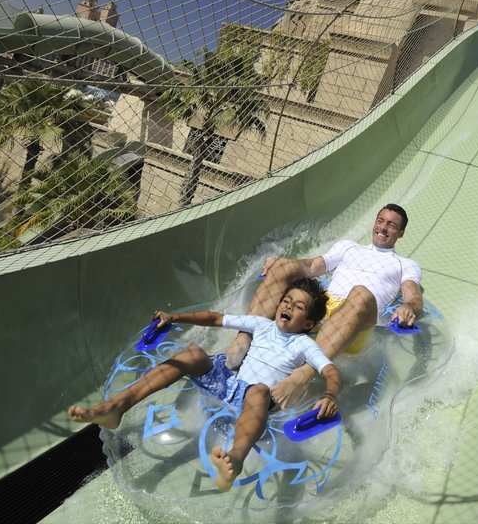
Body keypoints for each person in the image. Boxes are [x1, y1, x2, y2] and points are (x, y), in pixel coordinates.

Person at [68, 277, 341, 492]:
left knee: (258, 390)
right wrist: (175, 318)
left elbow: (330, 370)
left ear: (308, 323)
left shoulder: (304, 344)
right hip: (227, 384)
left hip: (255, 401)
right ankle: (117, 406)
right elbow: (215, 318)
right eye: (287, 300)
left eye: (299, 307)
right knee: (194, 353)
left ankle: (234, 459)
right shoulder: (261, 324)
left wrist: (330, 394)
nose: (288, 307)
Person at [227, 204, 423, 409]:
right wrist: (282, 264)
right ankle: (242, 341)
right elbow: (311, 266)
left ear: (400, 233)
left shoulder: (405, 264)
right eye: (380, 221)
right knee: (284, 265)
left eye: (391, 225)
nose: (383, 228)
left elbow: (414, 296)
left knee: (361, 292)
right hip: (321, 311)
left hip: (357, 319)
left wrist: (410, 307)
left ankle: (302, 376)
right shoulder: (348, 247)